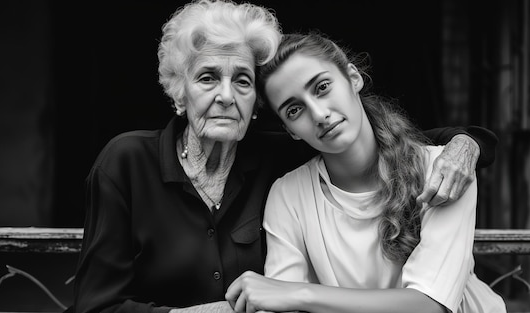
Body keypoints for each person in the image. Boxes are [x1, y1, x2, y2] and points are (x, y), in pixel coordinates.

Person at [69, 1, 498, 312]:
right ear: (179, 92)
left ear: (256, 105)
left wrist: (468, 144)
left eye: (241, 80)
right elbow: (94, 306)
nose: (224, 95)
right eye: (206, 78)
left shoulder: (277, 156)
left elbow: (401, 145)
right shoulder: (126, 162)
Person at [225, 32, 507, 313]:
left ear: (353, 78)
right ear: (290, 130)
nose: (319, 114)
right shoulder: (288, 195)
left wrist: (301, 294)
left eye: (322, 87)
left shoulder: (444, 170)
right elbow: (281, 307)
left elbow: (430, 306)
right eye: (295, 110)